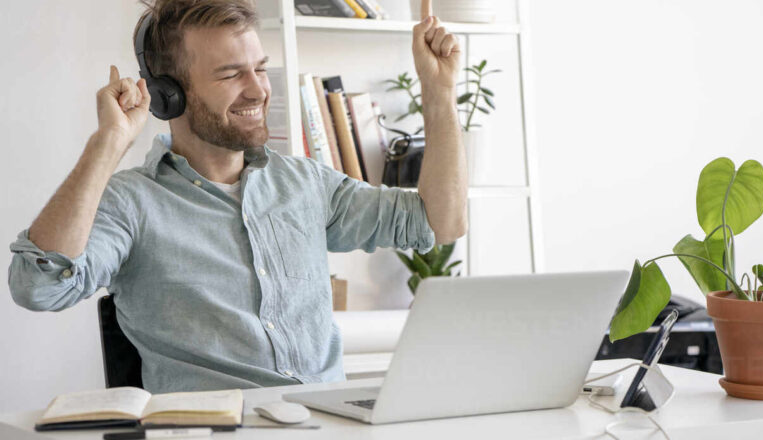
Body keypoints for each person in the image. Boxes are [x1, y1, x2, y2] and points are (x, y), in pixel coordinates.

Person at [8, 0, 466, 393]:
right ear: (169, 95)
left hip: (326, 426)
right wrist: (108, 142)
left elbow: (438, 222)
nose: (258, 89)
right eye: (231, 74)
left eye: (260, 69)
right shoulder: (132, 204)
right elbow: (37, 286)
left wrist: (440, 91)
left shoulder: (305, 184)